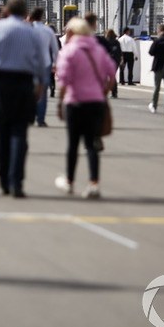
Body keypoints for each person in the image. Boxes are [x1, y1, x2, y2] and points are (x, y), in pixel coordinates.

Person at [0, 0, 45, 198]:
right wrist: (40, 83)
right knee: (20, 133)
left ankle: (4, 180)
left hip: (2, 83)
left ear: (6, 11)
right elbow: (40, 60)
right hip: (24, 83)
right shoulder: (32, 32)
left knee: (3, 133)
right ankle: (17, 182)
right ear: (25, 13)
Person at [54, 17, 116, 198]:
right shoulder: (98, 49)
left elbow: (64, 80)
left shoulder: (70, 50)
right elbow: (111, 73)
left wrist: (60, 102)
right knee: (92, 144)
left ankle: (70, 181)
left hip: (75, 102)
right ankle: (94, 183)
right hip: (96, 102)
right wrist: (103, 93)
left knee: (73, 144)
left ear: (72, 32)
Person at [29, 7, 59, 125]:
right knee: (43, 92)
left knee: (30, 90)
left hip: (30, 64)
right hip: (45, 63)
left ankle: (30, 117)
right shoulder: (48, 31)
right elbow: (55, 49)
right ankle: (40, 119)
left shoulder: (28, 29)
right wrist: (55, 64)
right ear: (42, 17)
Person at [105, 29, 122, 98]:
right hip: (116, 60)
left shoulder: (106, 42)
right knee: (113, 75)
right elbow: (120, 52)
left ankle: (110, 91)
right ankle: (114, 92)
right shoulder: (117, 42)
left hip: (108, 61)